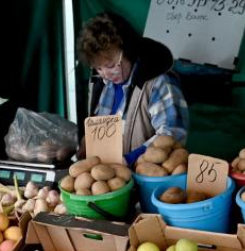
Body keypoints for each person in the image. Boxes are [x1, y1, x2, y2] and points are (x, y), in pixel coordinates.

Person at [77, 13, 189, 165]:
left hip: (144, 177)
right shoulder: (101, 83)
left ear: (128, 51)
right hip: (108, 178)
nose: (106, 74)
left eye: (110, 65)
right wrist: (88, 140)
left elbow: (172, 134)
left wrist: (130, 159)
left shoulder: (159, 82)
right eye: (98, 68)